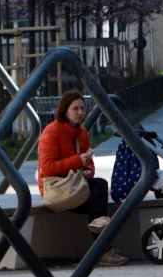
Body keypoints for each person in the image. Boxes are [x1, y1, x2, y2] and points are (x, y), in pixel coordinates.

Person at [38, 89, 128, 266]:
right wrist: (77, 161)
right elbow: (47, 168)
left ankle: (102, 242)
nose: (80, 113)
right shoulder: (51, 132)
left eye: (83, 109)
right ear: (65, 111)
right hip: (58, 190)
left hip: (76, 186)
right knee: (98, 199)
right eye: (75, 109)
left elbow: (88, 163)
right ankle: (103, 250)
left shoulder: (82, 133)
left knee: (99, 188)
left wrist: (88, 170)